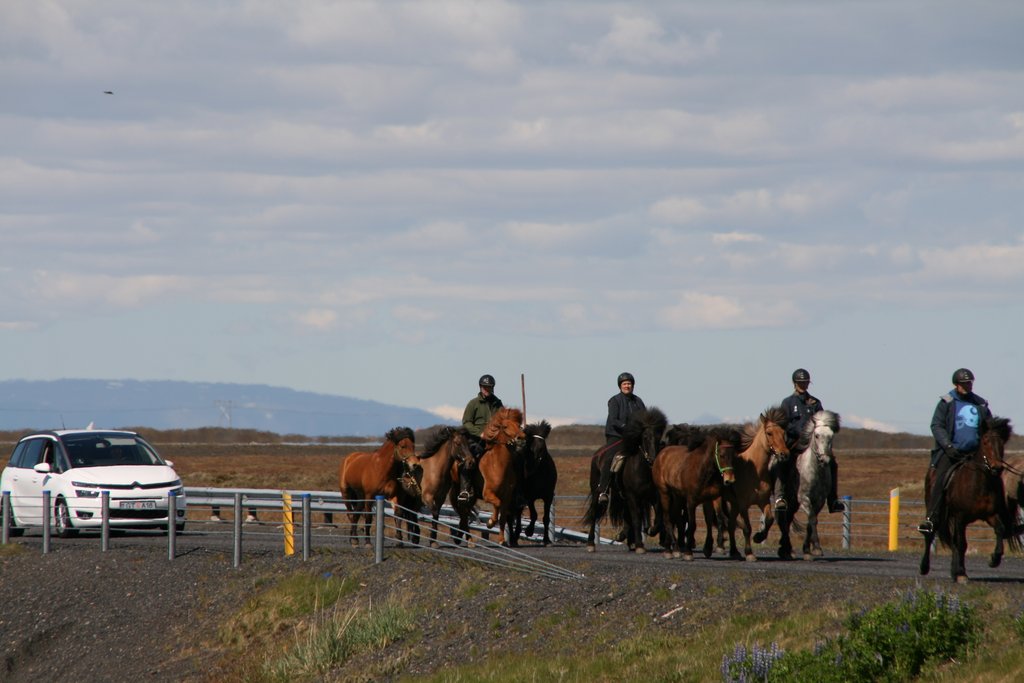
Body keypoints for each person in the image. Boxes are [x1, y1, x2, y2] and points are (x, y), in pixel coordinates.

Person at [918, 368, 992, 534]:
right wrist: (948, 446)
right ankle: (931, 518)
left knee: (995, 474)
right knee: (940, 479)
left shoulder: (980, 404)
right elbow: (937, 426)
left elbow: (990, 428)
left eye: (969, 383)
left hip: (975, 453)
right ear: (956, 385)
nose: (967, 386)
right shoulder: (947, 402)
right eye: (964, 384)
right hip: (952, 453)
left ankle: (1004, 517)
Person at [774, 368, 844, 514]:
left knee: (832, 463)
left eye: (806, 382)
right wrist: (797, 432)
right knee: (782, 462)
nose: (803, 385)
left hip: (813, 442)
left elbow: (823, 421)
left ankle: (832, 500)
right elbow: (784, 423)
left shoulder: (815, 403)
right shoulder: (787, 402)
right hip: (794, 442)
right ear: (795, 383)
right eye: (800, 382)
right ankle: (780, 497)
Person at [597, 372, 647, 504]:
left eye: (629, 384)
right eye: (624, 384)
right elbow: (614, 420)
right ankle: (603, 490)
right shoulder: (614, 401)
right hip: (617, 436)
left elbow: (645, 417)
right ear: (620, 386)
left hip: (635, 437)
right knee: (610, 458)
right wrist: (627, 428)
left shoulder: (638, 401)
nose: (627, 386)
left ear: (633, 385)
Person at [457, 374, 504, 501]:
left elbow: (504, 420)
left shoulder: (498, 404)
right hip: (477, 440)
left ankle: (517, 491)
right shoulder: (473, 403)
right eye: (485, 387)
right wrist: (480, 433)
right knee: (469, 460)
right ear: (480, 387)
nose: (487, 389)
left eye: (489, 387)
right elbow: (466, 422)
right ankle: (465, 490)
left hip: (495, 440)